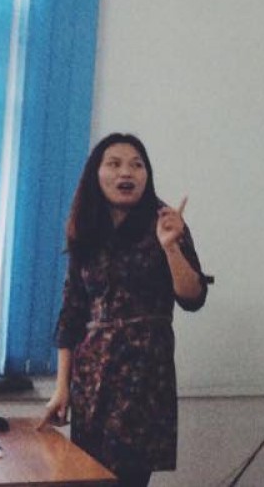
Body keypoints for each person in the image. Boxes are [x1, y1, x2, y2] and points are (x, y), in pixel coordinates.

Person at [40, 133, 210, 487]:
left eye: (136, 164)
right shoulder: (87, 228)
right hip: (92, 377)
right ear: (96, 173)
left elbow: (192, 297)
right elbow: (71, 313)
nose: (126, 172)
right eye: (114, 164)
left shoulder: (166, 223)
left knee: (128, 478)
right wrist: (61, 387)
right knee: (86, 476)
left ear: (147, 175)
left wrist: (171, 247)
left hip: (144, 376)